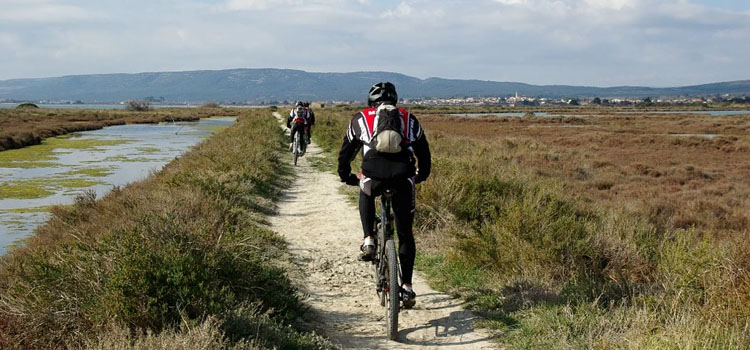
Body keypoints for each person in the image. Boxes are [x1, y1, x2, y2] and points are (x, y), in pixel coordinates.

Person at [337, 82, 431, 308]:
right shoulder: (409, 118)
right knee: (406, 234)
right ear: (395, 101)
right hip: (403, 177)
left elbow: (346, 153)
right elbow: (424, 153)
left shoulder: (360, 118)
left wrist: (345, 175)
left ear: (371, 102)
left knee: (365, 187)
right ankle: (407, 287)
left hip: (373, 174)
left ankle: (369, 238)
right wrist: (421, 175)